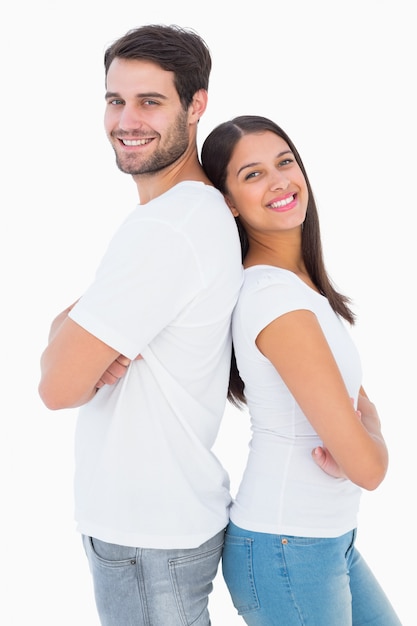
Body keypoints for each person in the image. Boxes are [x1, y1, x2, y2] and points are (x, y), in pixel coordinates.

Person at [38, 25, 243, 626]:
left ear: (196, 105)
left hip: (148, 535)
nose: (127, 120)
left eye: (150, 101)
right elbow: (65, 339)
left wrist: (72, 347)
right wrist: (72, 336)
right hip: (153, 525)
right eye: (114, 100)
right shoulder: (180, 217)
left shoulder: (169, 228)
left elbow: (56, 388)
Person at [201, 115, 401, 625]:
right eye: (252, 174)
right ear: (228, 202)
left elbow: (359, 412)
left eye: (285, 162)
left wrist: (361, 436)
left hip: (325, 539)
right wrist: (369, 438)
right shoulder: (275, 299)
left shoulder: (302, 293)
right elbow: (368, 466)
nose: (279, 181)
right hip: (287, 548)